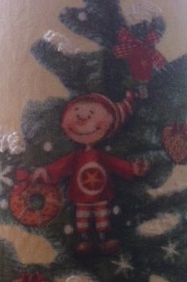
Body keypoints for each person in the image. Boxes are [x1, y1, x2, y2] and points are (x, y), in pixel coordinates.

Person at [32, 92, 148, 253]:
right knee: (82, 218)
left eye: (91, 113)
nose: (82, 118)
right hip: (81, 195)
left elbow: (116, 164)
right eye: (76, 111)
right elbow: (62, 165)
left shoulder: (101, 156)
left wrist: (132, 168)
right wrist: (46, 172)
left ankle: (104, 238)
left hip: (101, 194)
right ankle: (83, 239)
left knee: (102, 216)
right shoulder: (76, 157)